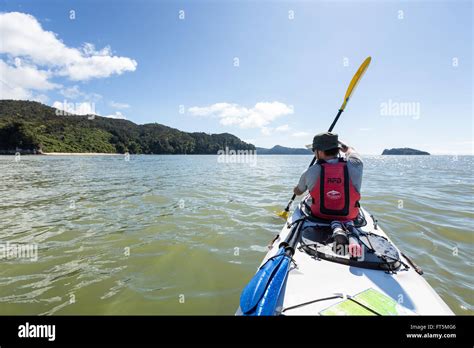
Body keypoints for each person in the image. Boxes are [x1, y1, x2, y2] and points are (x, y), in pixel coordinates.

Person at [293, 132, 363, 221]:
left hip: (319, 216)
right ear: (338, 149)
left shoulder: (309, 172)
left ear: (320, 152)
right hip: (350, 217)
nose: (314, 153)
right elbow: (351, 150)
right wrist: (343, 146)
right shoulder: (356, 164)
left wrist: (295, 188)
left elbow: (298, 192)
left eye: (314, 150)